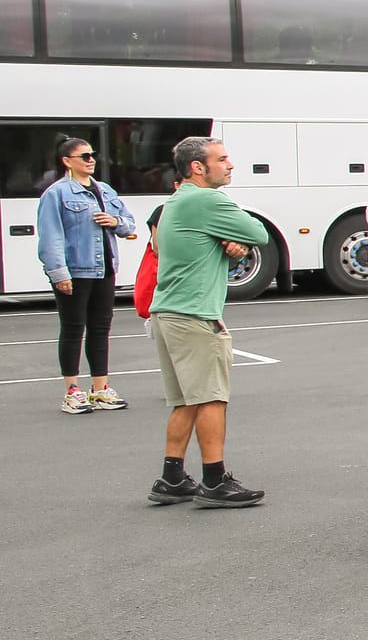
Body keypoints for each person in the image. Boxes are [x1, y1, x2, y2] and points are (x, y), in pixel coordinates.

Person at [143, 137, 270, 509]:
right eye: (223, 159)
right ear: (198, 166)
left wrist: (231, 247)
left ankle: (171, 478)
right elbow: (258, 233)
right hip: (195, 315)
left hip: (167, 312)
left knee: (185, 401)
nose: (230, 165)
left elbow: (201, 254)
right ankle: (214, 480)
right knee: (212, 398)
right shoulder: (206, 200)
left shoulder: (174, 203)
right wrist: (237, 241)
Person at [38, 134, 138, 414]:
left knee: (100, 328)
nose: (91, 160)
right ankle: (72, 391)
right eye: (84, 156)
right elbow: (51, 237)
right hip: (75, 270)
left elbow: (129, 224)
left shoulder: (104, 190)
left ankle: (100, 388)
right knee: (73, 328)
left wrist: (115, 221)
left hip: (105, 269)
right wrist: (59, 274)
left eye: (93, 155)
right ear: (67, 161)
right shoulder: (57, 193)